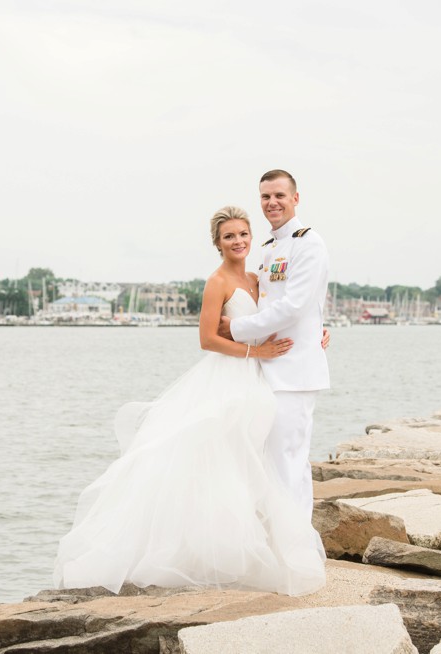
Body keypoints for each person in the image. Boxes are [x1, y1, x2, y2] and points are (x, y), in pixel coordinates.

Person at [53, 206, 326, 596]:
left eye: (243, 234)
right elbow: (208, 339)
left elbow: (287, 311)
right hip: (230, 374)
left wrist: (316, 336)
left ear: (252, 237)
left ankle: (255, 547)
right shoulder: (217, 282)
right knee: (220, 461)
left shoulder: (255, 277)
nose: (238, 241)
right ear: (217, 243)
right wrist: (255, 355)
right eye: (229, 236)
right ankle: (203, 553)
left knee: (251, 460)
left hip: (258, 378)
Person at [219, 169, 330, 522]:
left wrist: (236, 328)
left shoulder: (308, 243)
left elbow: (294, 306)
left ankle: (295, 551)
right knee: (269, 462)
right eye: (266, 196)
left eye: (279, 195)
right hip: (265, 370)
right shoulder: (268, 249)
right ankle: (278, 544)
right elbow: (274, 304)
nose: (272, 203)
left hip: (294, 372)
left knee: (289, 462)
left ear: (296, 198)